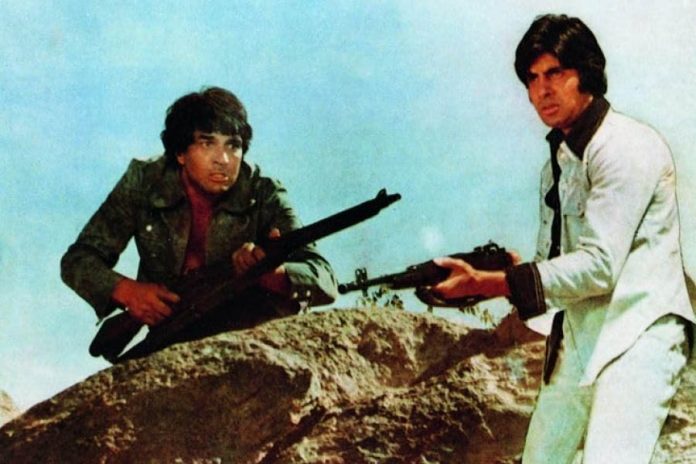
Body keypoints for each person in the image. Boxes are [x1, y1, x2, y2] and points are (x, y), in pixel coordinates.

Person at [432, 14, 695, 463]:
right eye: (532, 79)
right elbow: (553, 268)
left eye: (555, 73)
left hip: (639, 335)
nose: (542, 90)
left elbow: (600, 266)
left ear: (586, 73)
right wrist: (497, 275)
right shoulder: (557, 162)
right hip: (579, 337)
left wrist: (491, 283)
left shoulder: (625, 145)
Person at [62, 86, 338, 347]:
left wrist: (275, 275)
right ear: (180, 152)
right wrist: (127, 292)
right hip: (173, 334)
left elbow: (324, 279)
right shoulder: (144, 182)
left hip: (252, 335)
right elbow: (78, 261)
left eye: (233, 146)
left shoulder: (263, 192)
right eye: (207, 143)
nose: (223, 159)